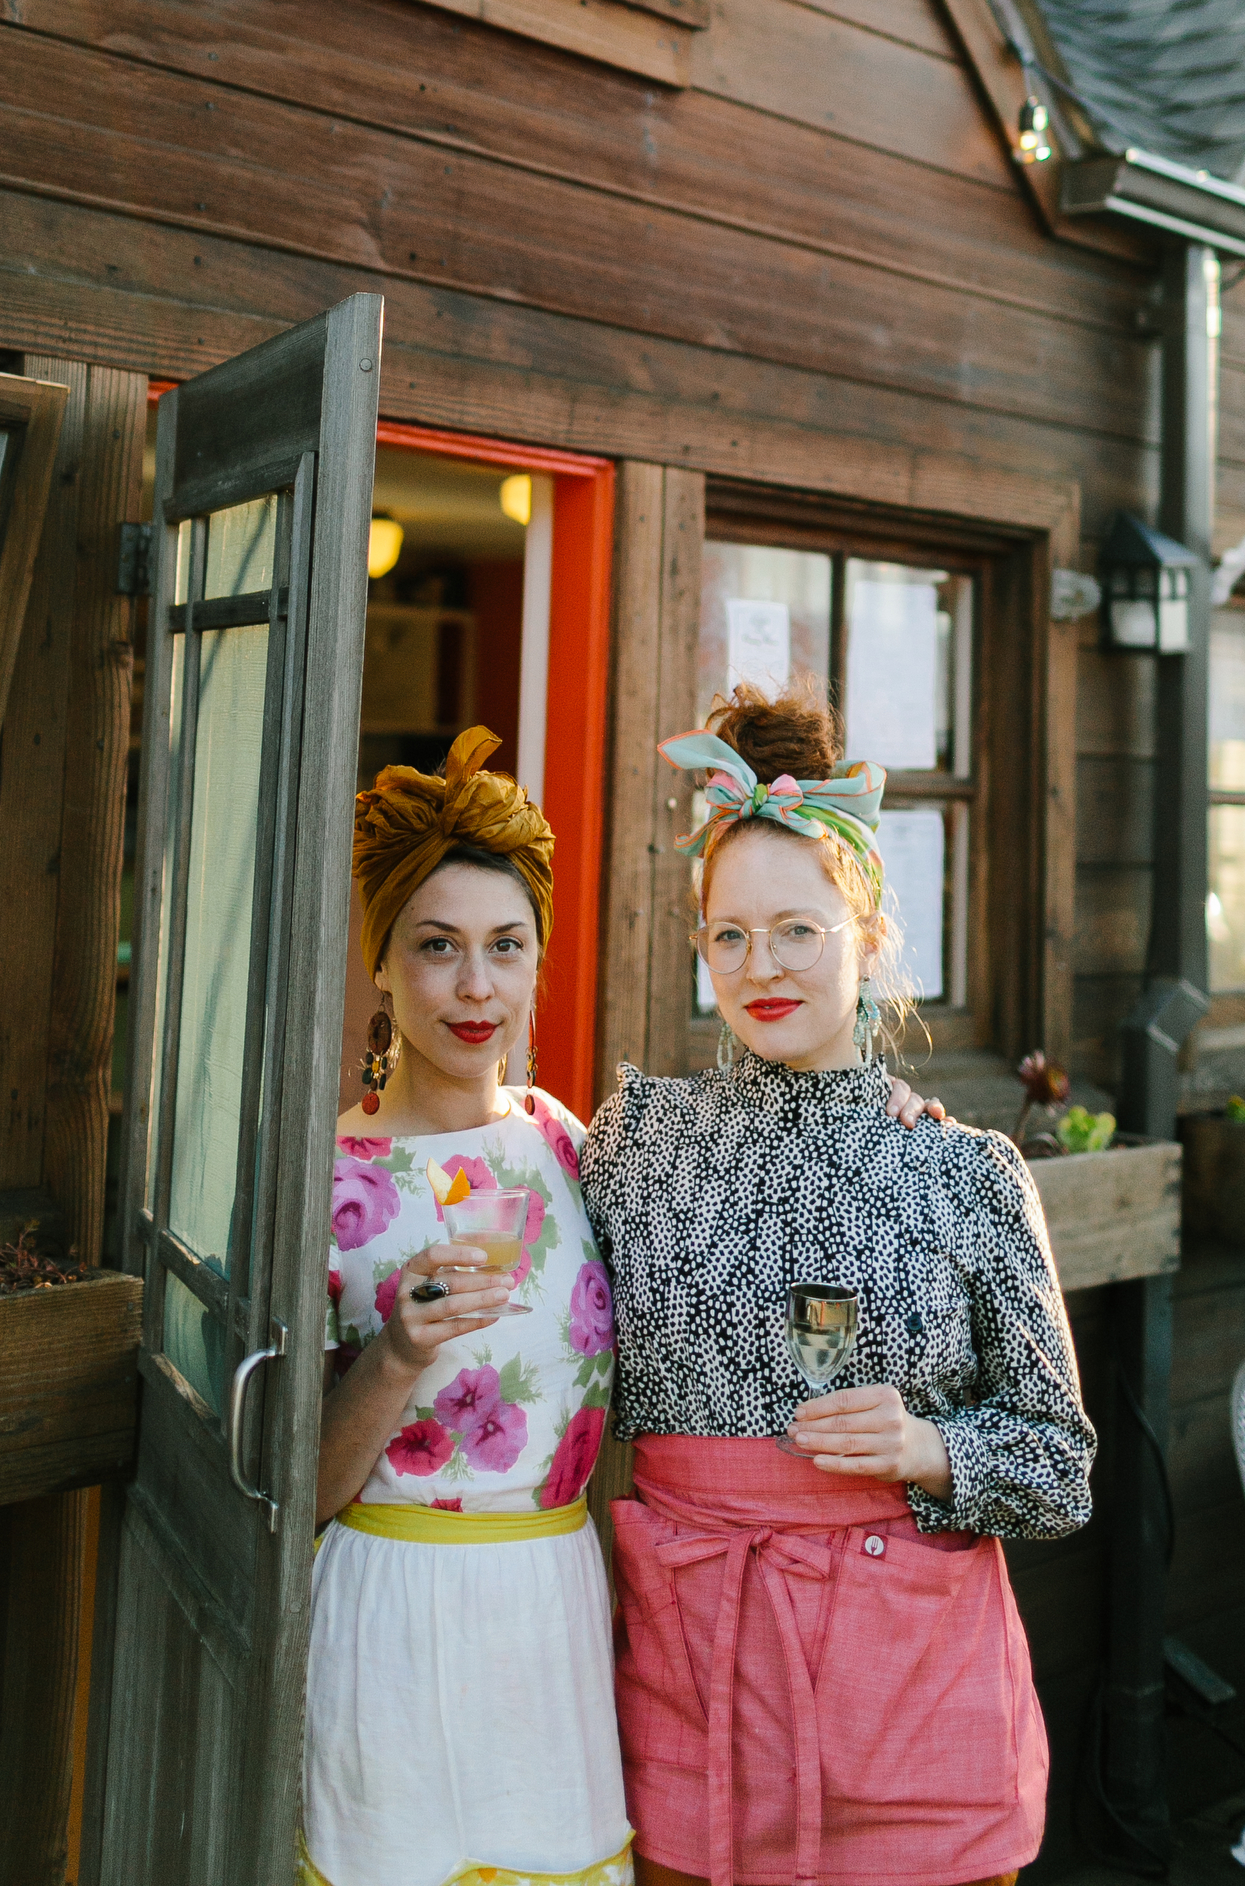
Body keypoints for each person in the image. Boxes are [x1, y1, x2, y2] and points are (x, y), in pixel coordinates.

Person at [581, 682, 1096, 1886]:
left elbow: (1058, 1467)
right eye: (727, 935)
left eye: (797, 929)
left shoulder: (961, 1171)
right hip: (693, 1680)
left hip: (915, 1701)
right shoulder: (632, 1145)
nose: (760, 966)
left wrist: (928, 1449)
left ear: (865, 935)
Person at [303, 724, 631, 1886]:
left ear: (539, 958)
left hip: (549, 1609)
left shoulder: (568, 1147)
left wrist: (890, 1108)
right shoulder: (321, 1181)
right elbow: (298, 1493)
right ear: (381, 964)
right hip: (388, 1609)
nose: (474, 985)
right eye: (436, 947)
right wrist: (392, 1355)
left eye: (505, 945)